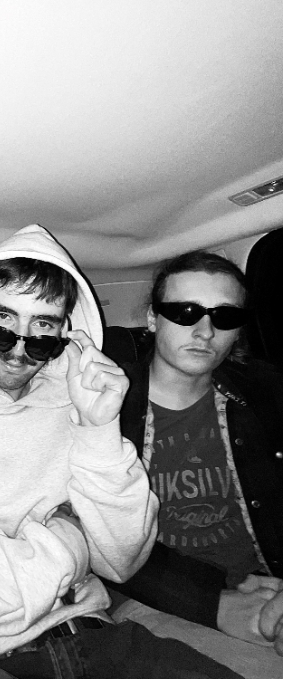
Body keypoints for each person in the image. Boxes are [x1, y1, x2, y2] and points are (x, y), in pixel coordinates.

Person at [0, 224, 243, 679]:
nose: (19, 350)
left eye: (42, 329)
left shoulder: (74, 402)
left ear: (66, 332)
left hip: (97, 639)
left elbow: (122, 563)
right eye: (1, 322)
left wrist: (98, 428)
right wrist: (67, 542)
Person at [106, 250, 283, 678]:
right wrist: (214, 602)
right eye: (185, 313)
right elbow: (99, 545)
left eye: (225, 316)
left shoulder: (265, 391)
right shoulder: (106, 408)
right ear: (152, 319)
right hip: (158, 595)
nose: (205, 331)